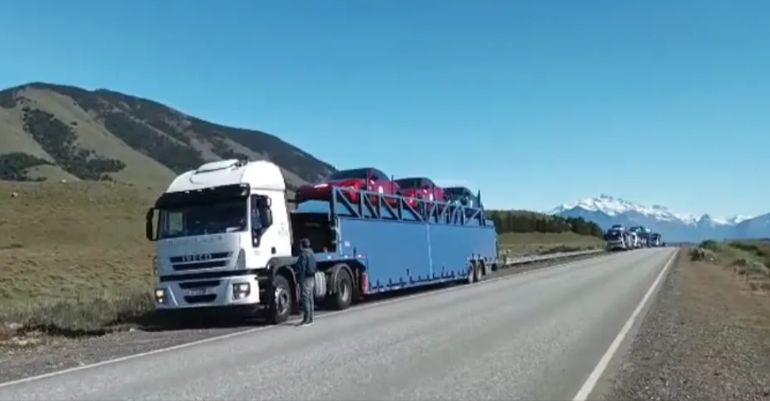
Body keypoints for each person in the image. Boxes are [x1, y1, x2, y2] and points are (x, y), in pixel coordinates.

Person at [294, 238, 317, 326]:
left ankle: (306, 319)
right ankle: (311, 318)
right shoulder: (311, 253)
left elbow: (302, 268)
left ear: (302, 245)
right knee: (310, 297)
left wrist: (300, 279)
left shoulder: (303, 254)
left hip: (306, 278)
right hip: (312, 277)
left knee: (305, 297)